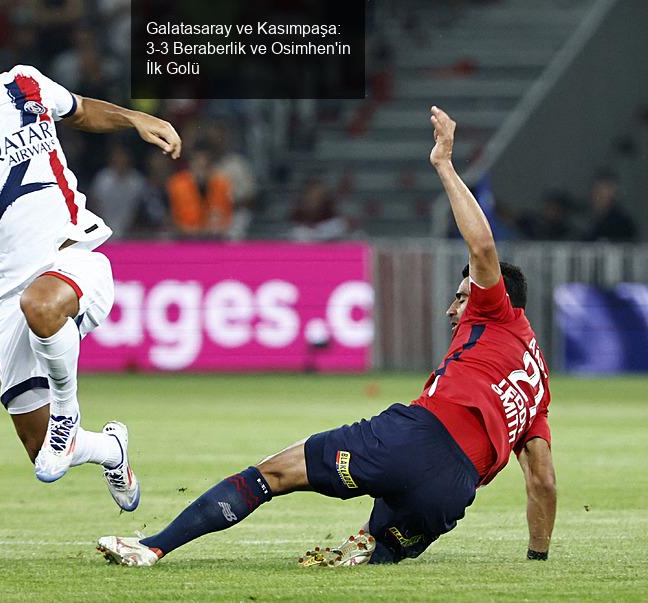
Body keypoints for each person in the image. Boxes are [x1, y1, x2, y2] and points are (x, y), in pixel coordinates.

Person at [98, 107, 556, 567]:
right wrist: (537, 560)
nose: (452, 309)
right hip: (452, 492)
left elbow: (481, 247)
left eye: (461, 297)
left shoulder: (494, 311)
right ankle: (373, 547)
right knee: (375, 546)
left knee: (272, 474)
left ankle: (153, 546)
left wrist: (444, 165)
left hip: (415, 438)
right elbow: (542, 480)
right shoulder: (537, 382)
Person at [0, 9, 181, 509]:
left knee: (42, 306)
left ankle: (68, 412)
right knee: (41, 452)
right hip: (8, 290)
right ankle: (110, 448)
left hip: (76, 256)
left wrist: (135, 118)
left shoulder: (25, 84)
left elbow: (81, 110)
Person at [580, 169, 638, 242]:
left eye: (602, 193)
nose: (597, 197)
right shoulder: (593, 220)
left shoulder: (622, 222)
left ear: (613, 193)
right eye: (596, 191)